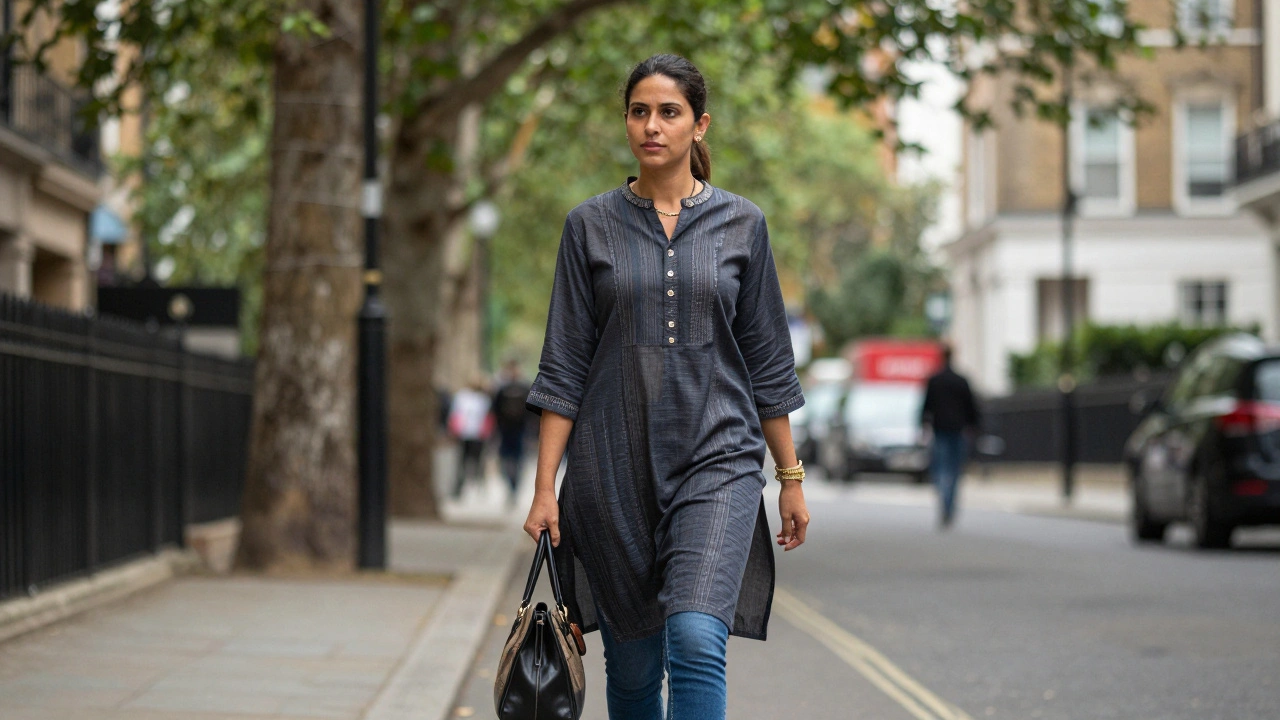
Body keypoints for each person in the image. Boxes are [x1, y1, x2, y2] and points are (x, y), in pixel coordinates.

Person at [522, 54, 810, 720]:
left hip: (720, 459)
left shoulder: (744, 225)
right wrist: (543, 489)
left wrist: (789, 474)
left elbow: (768, 359)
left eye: (669, 112)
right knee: (631, 665)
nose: (652, 125)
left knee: (696, 637)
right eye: (639, 111)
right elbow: (563, 364)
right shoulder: (588, 226)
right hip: (611, 469)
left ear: (699, 125)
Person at [920, 344, 981, 528]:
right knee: (954, 470)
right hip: (958, 430)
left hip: (940, 430)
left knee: (940, 469)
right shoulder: (961, 380)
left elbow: (926, 406)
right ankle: (950, 504)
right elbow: (972, 407)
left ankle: (944, 501)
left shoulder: (934, 380)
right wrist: (974, 426)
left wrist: (923, 425)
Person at [491, 358, 533, 506]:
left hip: (512, 430)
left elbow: (494, 409)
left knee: (511, 459)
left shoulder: (504, 389)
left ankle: (512, 485)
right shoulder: (523, 388)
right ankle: (513, 485)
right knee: (513, 459)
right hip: (513, 430)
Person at [448, 377, 494, 499]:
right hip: (468, 433)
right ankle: (464, 486)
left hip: (475, 434)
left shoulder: (479, 398)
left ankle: (477, 487)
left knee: (469, 461)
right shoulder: (467, 397)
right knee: (467, 461)